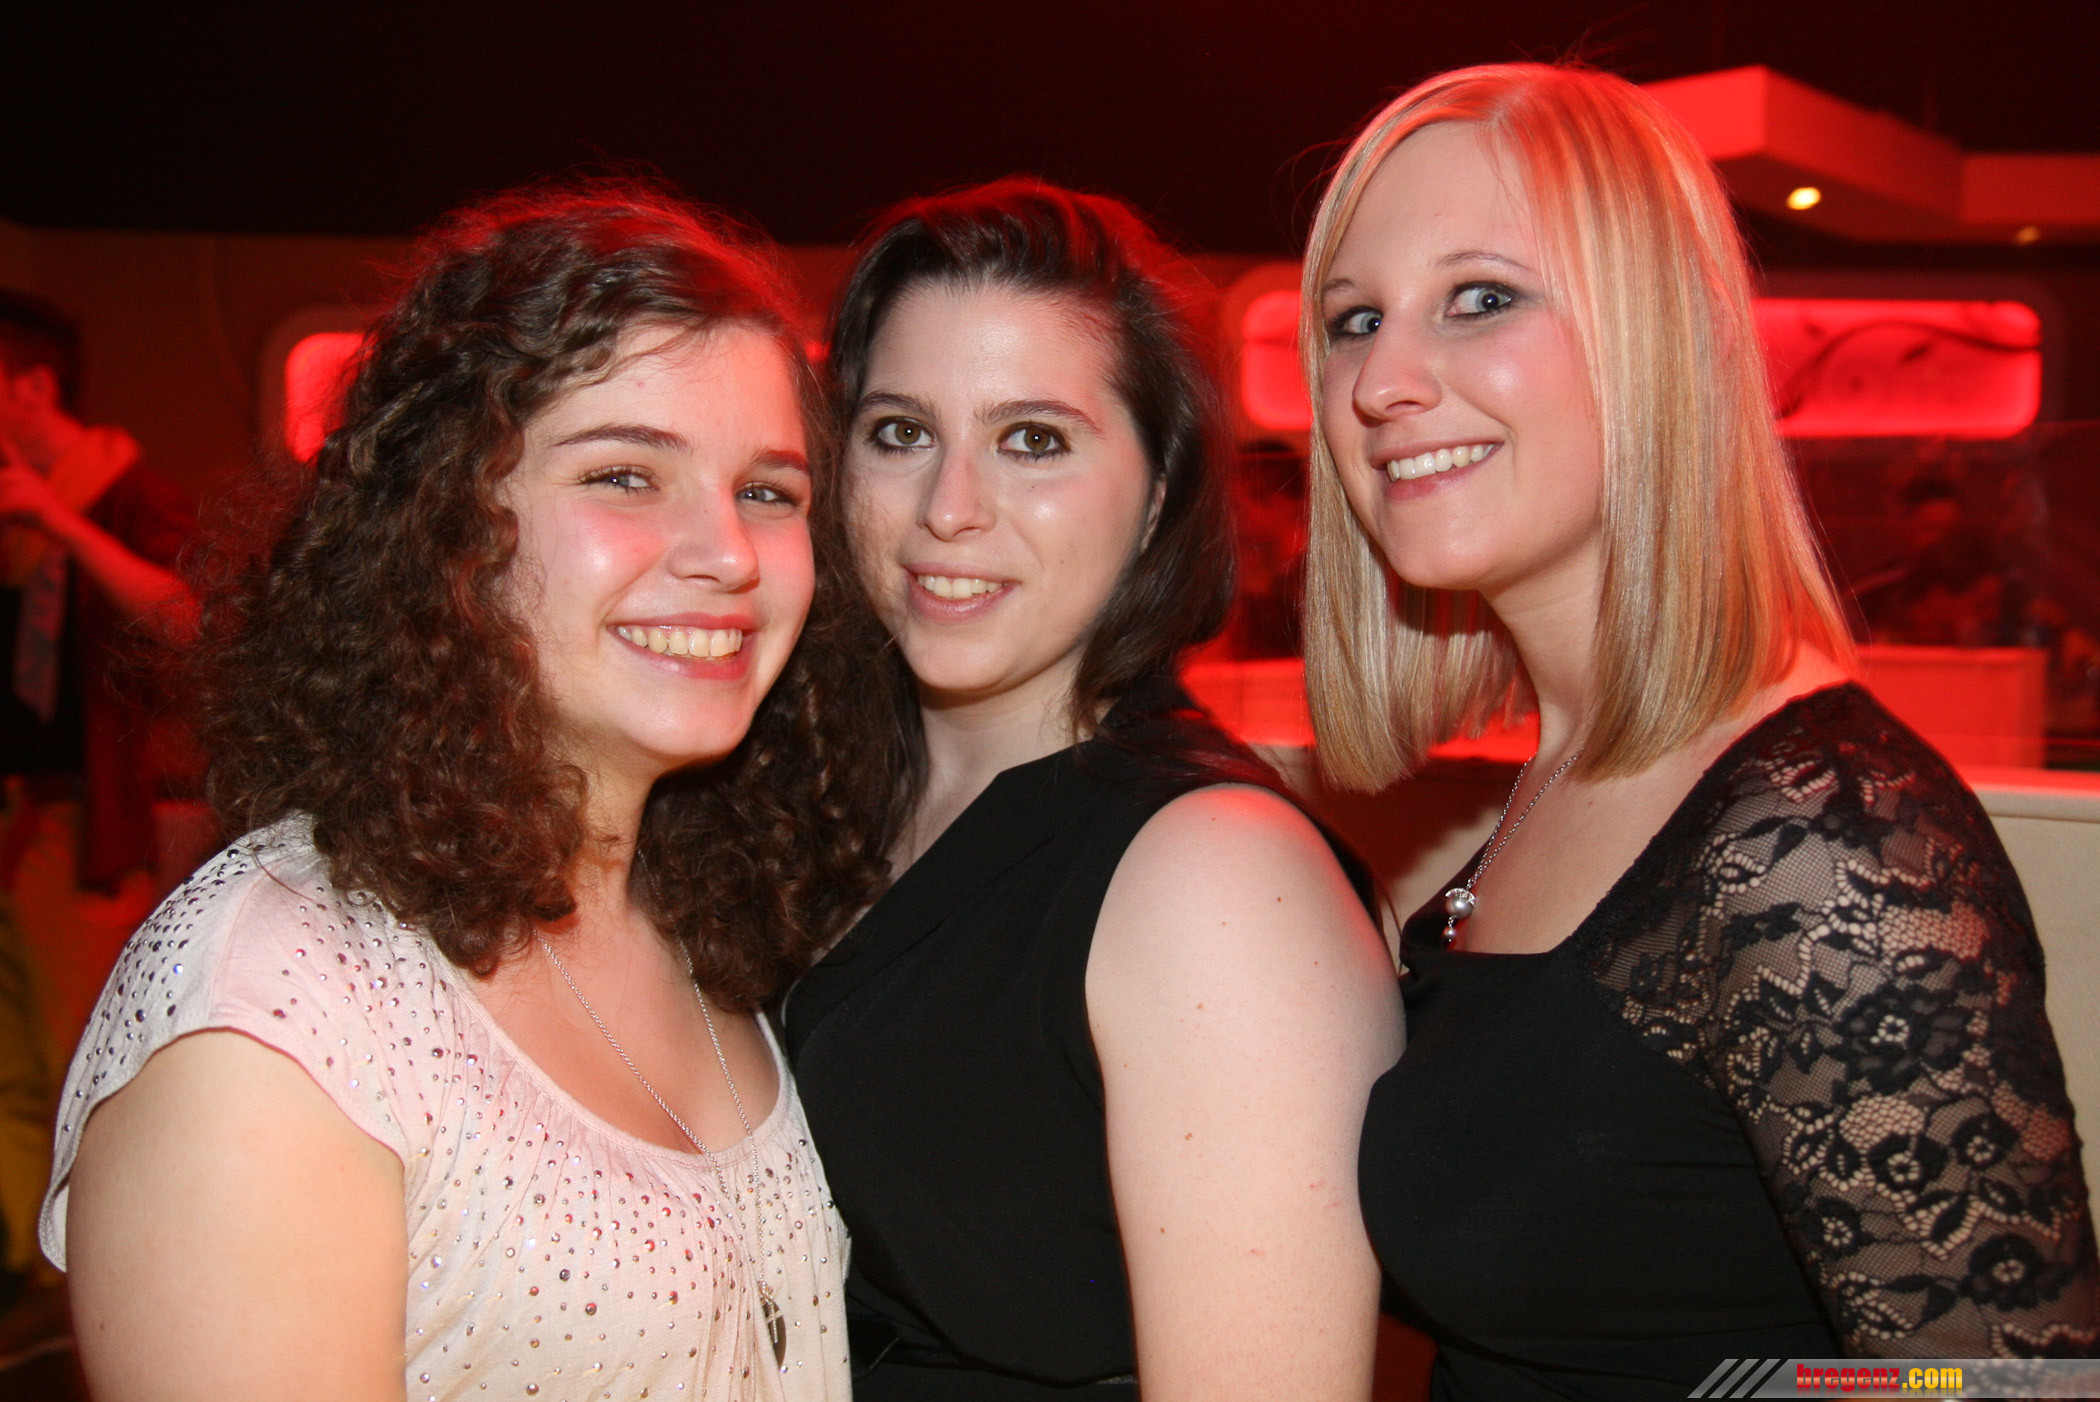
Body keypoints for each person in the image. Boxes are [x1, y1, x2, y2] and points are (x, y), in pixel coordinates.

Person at [1300, 63, 2098, 1394]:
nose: (1382, 379)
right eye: (1353, 319)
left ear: (1661, 337)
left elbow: (2012, 1388)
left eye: (1481, 298)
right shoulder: (1559, 789)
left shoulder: (1823, 843)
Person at [39, 182, 893, 1401]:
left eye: (770, 491)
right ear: (446, 523)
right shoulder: (278, 1008)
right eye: (625, 475)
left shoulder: (708, 919)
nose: (727, 554)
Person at [783, 179, 1404, 1402]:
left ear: (1159, 489)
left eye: (1034, 440)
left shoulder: (1213, 877)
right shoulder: (815, 796)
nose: (949, 510)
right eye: (899, 432)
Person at [0, 289, 194, 1339]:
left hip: (88, 827)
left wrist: (56, 517)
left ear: (33, 388)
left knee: (84, 1063)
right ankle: (24, 1274)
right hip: (18, 814)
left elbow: (185, 619)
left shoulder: (126, 493)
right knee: (11, 1064)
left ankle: (85, 1290)